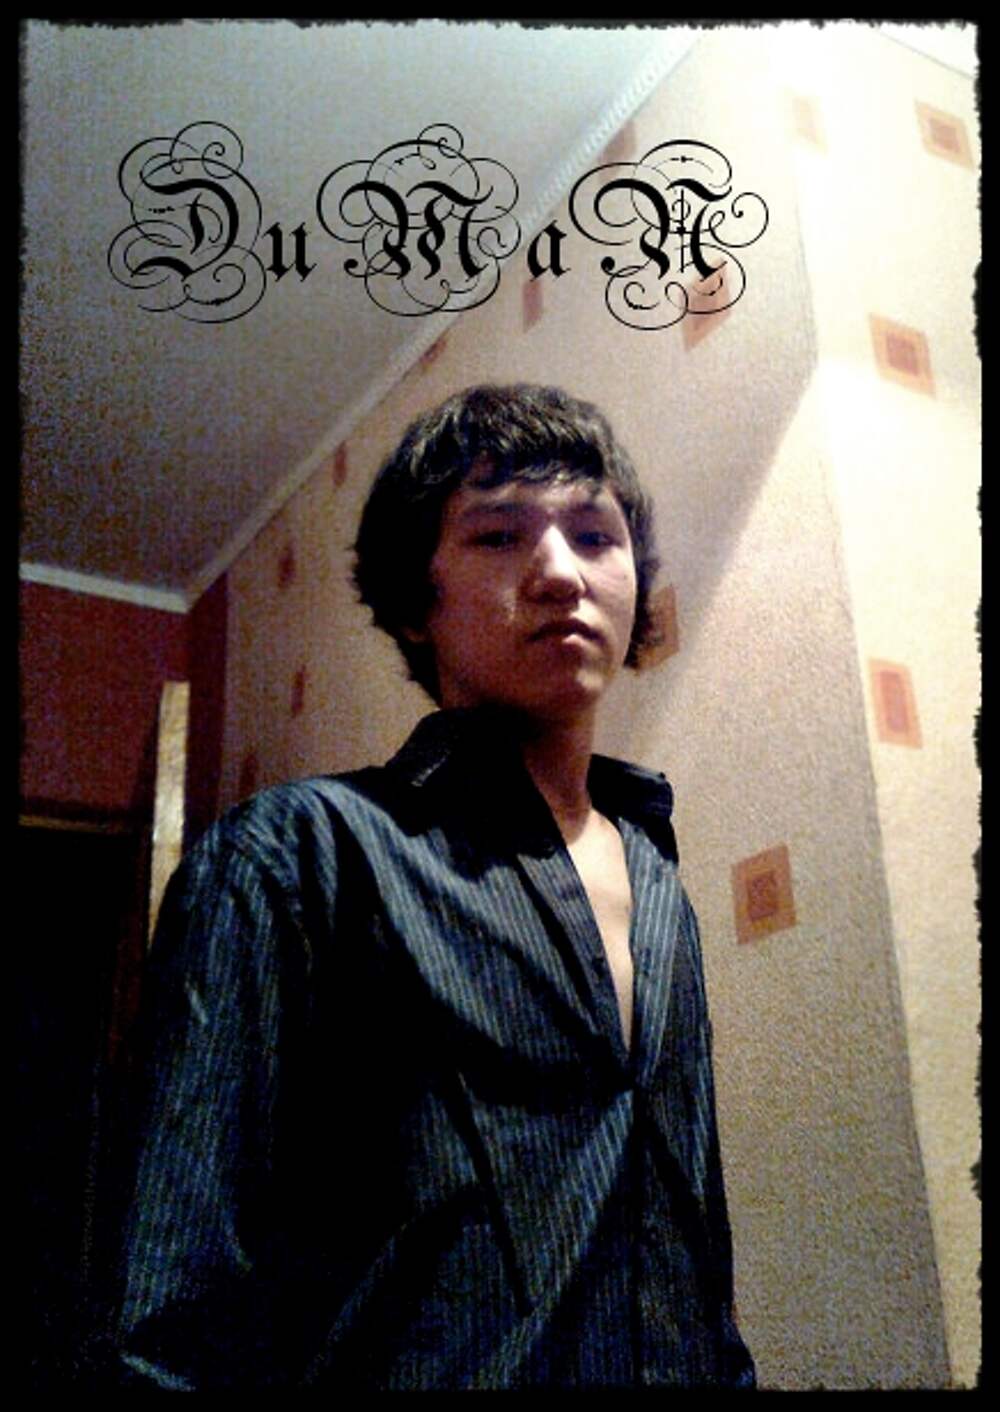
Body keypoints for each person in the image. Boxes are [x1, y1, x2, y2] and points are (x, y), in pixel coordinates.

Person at [106, 384, 756, 1389]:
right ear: (417, 601)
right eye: (499, 535)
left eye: (595, 534)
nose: (560, 571)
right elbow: (166, 1316)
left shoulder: (660, 884)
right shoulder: (292, 858)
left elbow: (695, 1246)